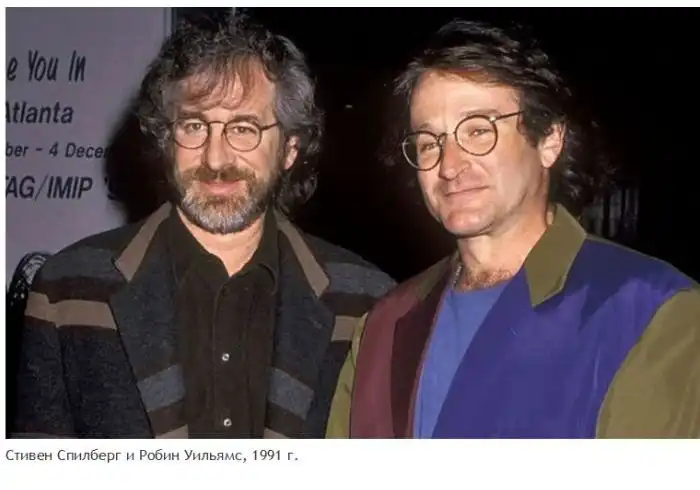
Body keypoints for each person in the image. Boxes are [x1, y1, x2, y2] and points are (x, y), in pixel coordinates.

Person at [12, 14, 395, 439]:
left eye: (244, 128)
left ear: (289, 149)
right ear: (165, 139)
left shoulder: (368, 305)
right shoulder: (68, 289)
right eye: (194, 126)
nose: (215, 159)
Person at [327, 19, 700, 438]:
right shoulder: (383, 325)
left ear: (549, 140)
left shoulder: (649, 312)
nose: (449, 165)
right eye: (430, 142)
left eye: (478, 131)